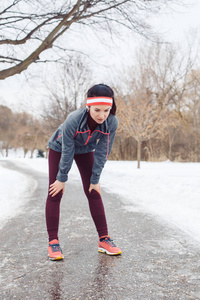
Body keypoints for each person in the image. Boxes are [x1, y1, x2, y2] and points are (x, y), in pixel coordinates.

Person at [46, 83, 122, 260]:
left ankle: (104, 239)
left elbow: (103, 151)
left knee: (93, 190)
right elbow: (67, 150)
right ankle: (53, 242)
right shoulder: (74, 119)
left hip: (86, 150)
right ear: (88, 106)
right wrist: (61, 178)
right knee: (55, 191)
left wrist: (95, 179)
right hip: (60, 148)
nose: (102, 115)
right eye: (97, 110)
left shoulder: (111, 121)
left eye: (106, 110)